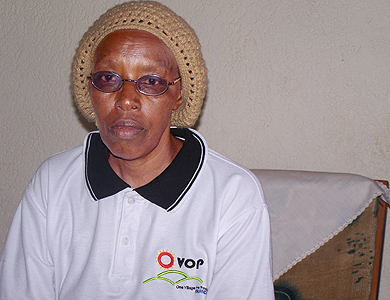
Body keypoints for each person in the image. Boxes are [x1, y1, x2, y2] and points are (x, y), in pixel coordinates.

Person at [0, 1, 274, 299]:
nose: (126, 100)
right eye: (108, 78)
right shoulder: (53, 184)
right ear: (89, 88)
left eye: (152, 81)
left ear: (179, 94)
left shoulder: (231, 196)